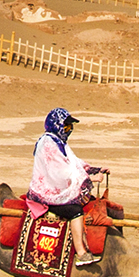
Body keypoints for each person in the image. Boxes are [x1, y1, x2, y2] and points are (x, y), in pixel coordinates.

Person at [25, 108, 104, 264]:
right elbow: (61, 173)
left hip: (57, 189)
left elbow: (75, 164)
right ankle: (81, 253)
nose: (69, 129)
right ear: (56, 125)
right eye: (66, 125)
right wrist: (91, 179)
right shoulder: (48, 143)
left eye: (70, 126)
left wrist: (95, 170)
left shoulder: (59, 143)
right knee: (75, 211)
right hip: (47, 194)